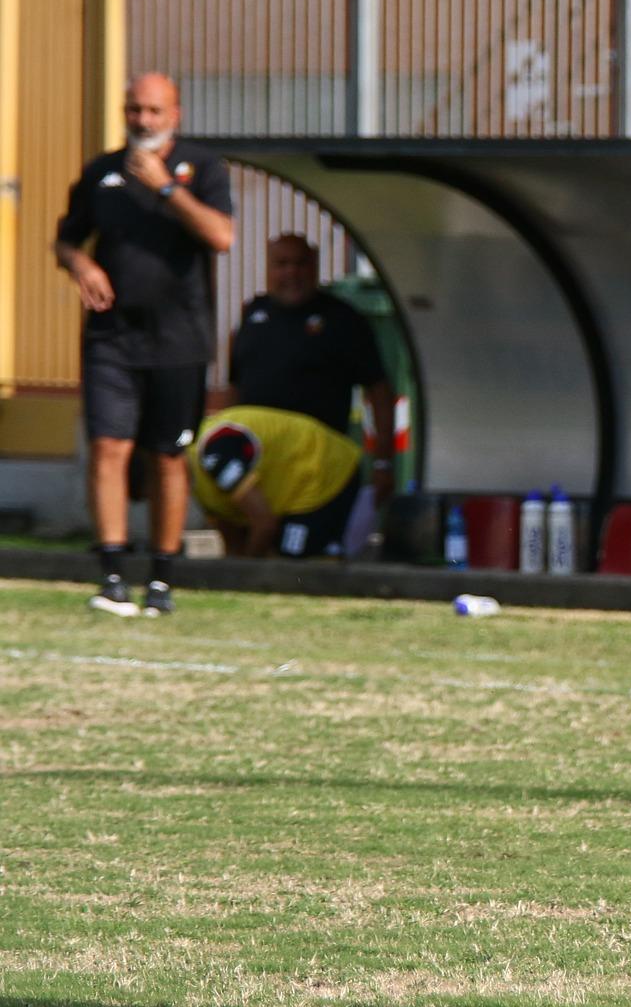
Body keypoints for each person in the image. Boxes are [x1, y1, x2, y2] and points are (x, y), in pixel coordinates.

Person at [54, 72, 235, 618]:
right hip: (112, 337)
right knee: (108, 447)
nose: (143, 120)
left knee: (167, 456)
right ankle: (112, 577)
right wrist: (81, 265)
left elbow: (221, 236)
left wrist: (165, 188)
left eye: (154, 111)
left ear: (175, 114)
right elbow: (65, 240)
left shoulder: (203, 168)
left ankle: (161, 579)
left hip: (179, 339)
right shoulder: (101, 172)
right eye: (134, 109)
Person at [228, 234, 397, 508]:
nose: (292, 272)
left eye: (301, 264)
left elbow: (379, 391)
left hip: (318, 468)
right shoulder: (253, 313)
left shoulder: (342, 318)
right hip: (259, 464)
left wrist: (383, 461)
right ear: (268, 268)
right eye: (282, 264)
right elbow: (234, 386)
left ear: (315, 267)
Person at [186, 405, 362, 559]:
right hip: (290, 482)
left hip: (325, 468)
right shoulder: (197, 472)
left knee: (291, 566)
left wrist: (245, 573)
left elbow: (264, 524)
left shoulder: (214, 454)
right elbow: (231, 536)